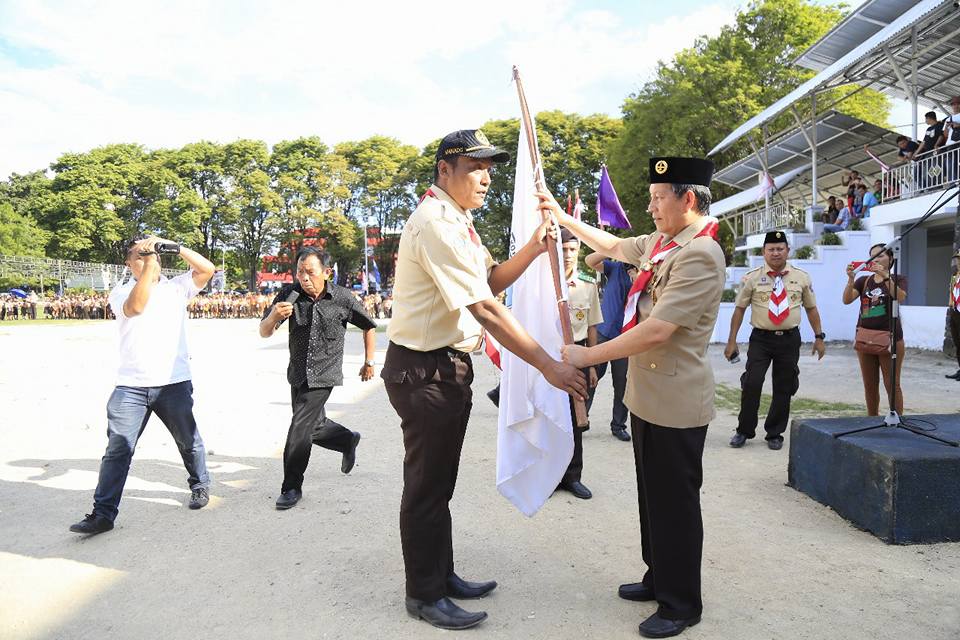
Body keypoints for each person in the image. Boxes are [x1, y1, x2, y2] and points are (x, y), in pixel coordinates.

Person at [382, 129, 586, 631]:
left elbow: (489, 280)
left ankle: (441, 574)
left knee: (440, 483)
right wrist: (547, 365)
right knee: (427, 486)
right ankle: (424, 594)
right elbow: (485, 308)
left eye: (489, 167)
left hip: (444, 367)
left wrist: (536, 251)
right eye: (475, 167)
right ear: (444, 170)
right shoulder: (436, 223)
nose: (486, 177)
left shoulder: (458, 220)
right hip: (423, 368)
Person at [547, 157, 724, 638]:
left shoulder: (700, 254)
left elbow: (659, 329)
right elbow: (616, 246)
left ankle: (681, 602)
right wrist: (563, 219)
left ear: (688, 199)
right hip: (650, 397)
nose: (650, 207)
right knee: (653, 498)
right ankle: (658, 576)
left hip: (675, 399)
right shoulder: (666, 243)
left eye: (658, 198)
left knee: (675, 504)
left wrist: (588, 356)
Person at [70, 237, 216, 535]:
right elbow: (136, 307)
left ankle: (199, 484)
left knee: (188, 440)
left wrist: (173, 246)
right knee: (118, 449)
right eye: (141, 256)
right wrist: (149, 266)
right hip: (132, 386)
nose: (151, 259)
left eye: (153, 256)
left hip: (173, 382)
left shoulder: (176, 287)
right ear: (128, 263)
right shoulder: (121, 291)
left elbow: (207, 269)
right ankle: (103, 514)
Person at [259, 246, 377, 510]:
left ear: (326, 272)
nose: (304, 277)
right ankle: (346, 439)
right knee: (313, 427)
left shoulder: (343, 298)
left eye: (310, 272)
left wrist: (369, 361)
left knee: (299, 428)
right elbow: (264, 331)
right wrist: (274, 317)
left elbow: (369, 325)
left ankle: (291, 487)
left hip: (325, 373)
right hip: (298, 373)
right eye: (300, 272)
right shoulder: (289, 295)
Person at [725, 231, 826, 451]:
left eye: (780, 248)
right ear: (764, 252)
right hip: (761, 339)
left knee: (784, 385)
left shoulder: (801, 277)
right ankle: (744, 430)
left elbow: (811, 309)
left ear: (787, 251)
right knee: (752, 382)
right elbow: (739, 310)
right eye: (771, 249)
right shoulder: (752, 277)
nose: (776, 253)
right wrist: (731, 341)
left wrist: (819, 337)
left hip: (789, 339)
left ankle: (774, 432)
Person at [555, 227, 602, 499]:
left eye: (572, 249)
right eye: (562, 250)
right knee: (549, 416)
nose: (568, 255)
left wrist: (593, 364)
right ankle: (549, 476)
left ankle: (573, 477)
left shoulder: (588, 286)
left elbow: (593, 326)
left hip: (581, 356)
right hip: (553, 357)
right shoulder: (545, 284)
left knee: (576, 419)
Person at [842, 244, 906, 415]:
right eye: (872, 257)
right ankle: (872, 419)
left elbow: (899, 297)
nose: (875, 260)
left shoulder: (897, 279)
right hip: (865, 338)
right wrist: (850, 278)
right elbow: (847, 300)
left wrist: (885, 276)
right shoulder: (864, 281)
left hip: (890, 339)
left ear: (891, 259)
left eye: (880, 256)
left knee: (892, 384)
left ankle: (897, 420)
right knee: (870, 385)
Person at [585, 252, 639, 442]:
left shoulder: (647, 276)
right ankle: (582, 419)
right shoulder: (615, 268)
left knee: (622, 384)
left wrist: (639, 280)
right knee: (591, 377)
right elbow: (590, 261)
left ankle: (618, 425)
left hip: (627, 338)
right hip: (603, 332)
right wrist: (611, 249)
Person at [945, 250, 960, 381]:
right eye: (957, 259)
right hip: (955, 311)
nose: (957, 261)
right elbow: (952, 292)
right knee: (957, 342)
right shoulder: (955, 276)